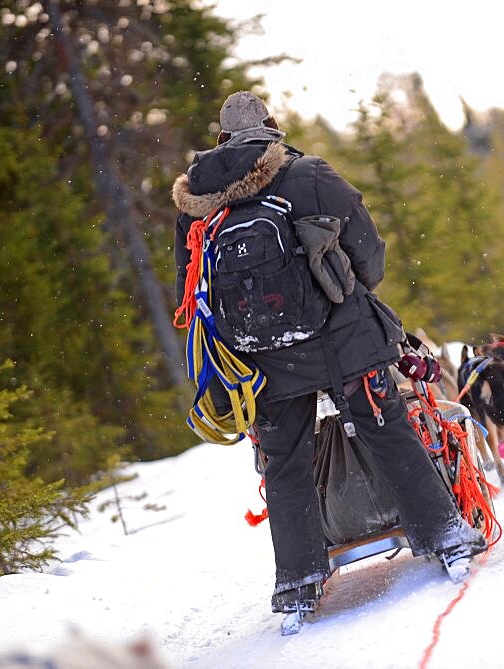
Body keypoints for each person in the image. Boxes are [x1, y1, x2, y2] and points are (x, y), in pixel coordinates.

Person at [171, 91, 486, 616]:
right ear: (271, 126)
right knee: (388, 432)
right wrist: (347, 297)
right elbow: (369, 252)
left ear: (220, 140)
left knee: (286, 464)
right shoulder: (308, 175)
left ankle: (298, 583)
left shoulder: (197, 208)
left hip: (260, 362)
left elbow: (189, 287)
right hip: (343, 341)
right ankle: (446, 537)